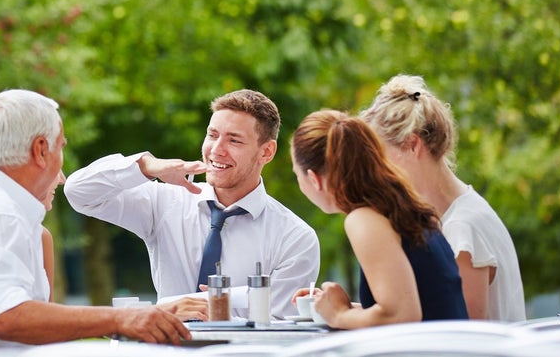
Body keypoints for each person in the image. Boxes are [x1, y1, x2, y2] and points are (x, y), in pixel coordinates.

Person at [0, 89, 190, 355]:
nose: (61, 172)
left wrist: (132, 318)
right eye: (60, 147)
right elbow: (8, 318)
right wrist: (123, 318)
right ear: (40, 150)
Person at [65, 89, 320, 320]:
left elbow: (280, 329)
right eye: (212, 135)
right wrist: (146, 166)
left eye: (234, 140)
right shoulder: (165, 202)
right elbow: (79, 192)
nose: (216, 150)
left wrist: (219, 317)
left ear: (266, 152)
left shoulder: (295, 238)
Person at [359, 75, 525, 321]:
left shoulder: (461, 228)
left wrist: (344, 315)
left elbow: (458, 338)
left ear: (413, 145)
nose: (377, 171)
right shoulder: (461, 211)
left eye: (381, 157)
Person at [290, 109, 468, 329]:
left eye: (296, 174)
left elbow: (401, 316)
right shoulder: (400, 204)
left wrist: (339, 316)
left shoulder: (364, 219)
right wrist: (337, 306)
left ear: (314, 179)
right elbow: (419, 304)